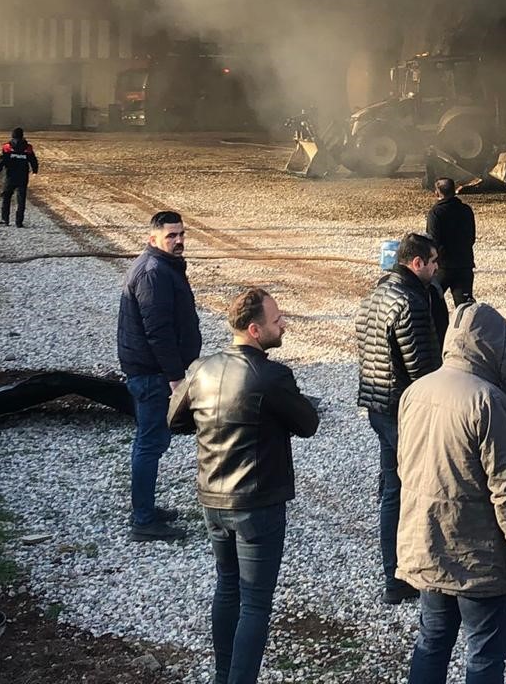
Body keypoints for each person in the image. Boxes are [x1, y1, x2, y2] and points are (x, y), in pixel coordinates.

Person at [169, 288, 320, 684]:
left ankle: (224, 676)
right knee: (254, 602)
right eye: (276, 320)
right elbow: (308, 424)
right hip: (256, 503)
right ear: (254, 330)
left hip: (213, 500)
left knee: (227, 588)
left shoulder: (202, 368)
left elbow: (176, 420)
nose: (284, 323)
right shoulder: (271, 376)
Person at [397, 302, 506, 684]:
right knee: (484, 656)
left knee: (431, 642)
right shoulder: (489, 401)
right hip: (480, 557)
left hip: (428, 545)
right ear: (495, 346)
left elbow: (404, 468)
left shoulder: (415, 391)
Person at [355, 231, 447, 603]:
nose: (437, 268)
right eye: (433, 262)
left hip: (378, 404)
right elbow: (421, 367)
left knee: (392, 490)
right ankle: (414, 570)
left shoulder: (373, 296)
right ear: (417, 263)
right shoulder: (410, 302)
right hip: (403, 411)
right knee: (419, 490)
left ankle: (393, 575)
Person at [117, 210, 202, 541]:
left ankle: (146, 509)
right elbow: (158, 331)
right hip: (153, 375)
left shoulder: (162, 266)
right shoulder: (154, 273)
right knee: (150, 444)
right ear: (152, 238)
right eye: (171, 236)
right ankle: (143, 521)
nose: (179, 241)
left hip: (151, 372)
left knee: (151, 442)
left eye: (181, 234)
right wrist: (175, 377)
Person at [425, 178, 477, 307]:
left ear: (437, 193)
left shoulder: (435, 213)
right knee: (465, 308)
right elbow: (471, 238)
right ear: (455, 191)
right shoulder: (466, 210)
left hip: (443, 267)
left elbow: (433, 241)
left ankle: (439, 327)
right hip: (464, 265)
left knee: (431, 303)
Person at [0, 126, 39, 227]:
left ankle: (5, 220)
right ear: (22, 136)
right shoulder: (28, 148)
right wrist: (35, 171)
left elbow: (1, 162)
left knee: (6, 198)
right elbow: (33, 160)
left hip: (9, 177)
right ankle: (19, 222)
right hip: (22, 177)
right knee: (21, 200)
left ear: (12, 136)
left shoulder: (7, 147)